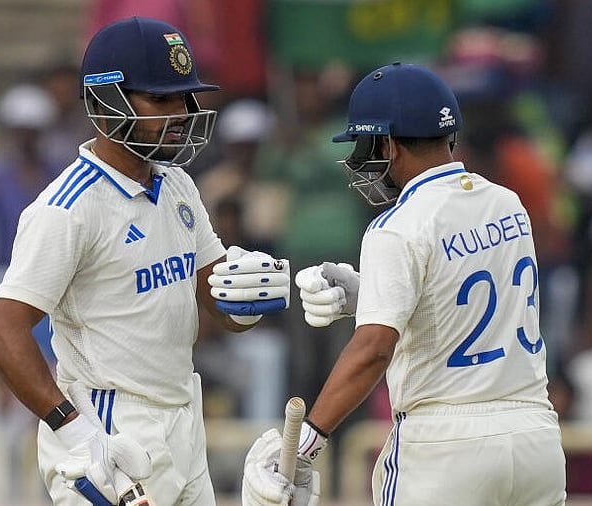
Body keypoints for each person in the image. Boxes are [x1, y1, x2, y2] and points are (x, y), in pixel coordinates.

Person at [0, 17, 290, 506]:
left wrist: (246, 299)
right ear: (106, 103)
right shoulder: (67, 209)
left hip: (184, 415)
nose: (183, 113)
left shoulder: (179, 184)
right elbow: (2, 331)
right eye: (162, 99)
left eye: (185, 98)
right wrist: (74, 430)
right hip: (110, 427)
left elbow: (221, 308)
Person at [241, 63, 566, 506]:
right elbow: (461, 293)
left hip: (444, 445)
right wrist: (370, 294)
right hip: (535, 437)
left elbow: (374, 349)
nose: (361, 158)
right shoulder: (506, 202)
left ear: (389, 144)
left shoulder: (395, 226)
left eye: (364, 144)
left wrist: (303, 447)